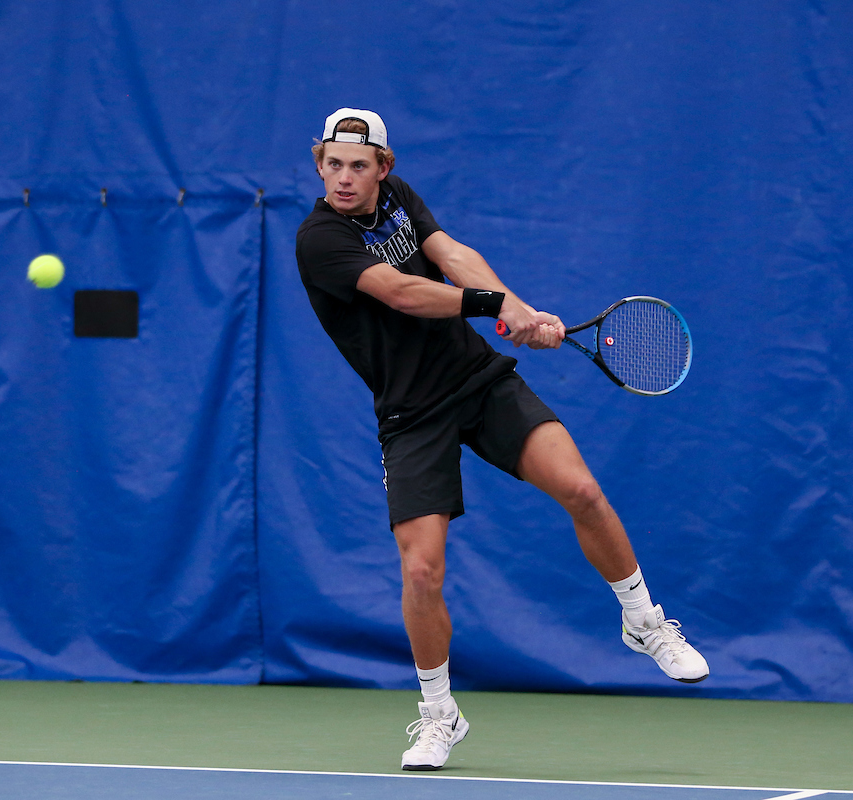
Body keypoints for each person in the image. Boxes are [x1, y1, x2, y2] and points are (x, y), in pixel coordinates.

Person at [295, 108, 708, 772]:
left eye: (358, 166)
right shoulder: (318, 239)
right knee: (422, 570)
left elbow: (451, 254)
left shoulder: (398, 201)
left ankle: (645, 623)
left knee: (581, 488)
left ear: (383, 169)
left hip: (477, 381)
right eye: (333, 165)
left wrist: (515, 303)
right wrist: (493, 307)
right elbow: (401, 293)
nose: (344, 178)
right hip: (410, 414)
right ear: (320, 165)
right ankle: (439, 716)